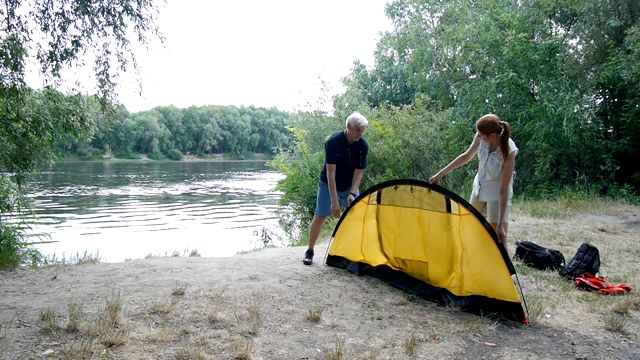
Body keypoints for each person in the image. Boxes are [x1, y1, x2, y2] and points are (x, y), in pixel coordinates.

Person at [429, 114, 518, 252]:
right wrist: (440, 174)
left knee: (499, 237)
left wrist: (500, 224)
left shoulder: (509, 151)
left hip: (497, 194)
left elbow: (503, 190)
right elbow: (465, 157)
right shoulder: (481, 137)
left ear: (493, 136)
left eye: (481, 135)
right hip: (479, 189)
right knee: (471, 227)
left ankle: (504, 272)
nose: (478, 137)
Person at [303, 112, 369, 265]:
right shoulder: (333, 142)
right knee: (321, 216)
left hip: (349, 185)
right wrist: (334, 201)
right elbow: (330, 173)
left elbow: (359, 173)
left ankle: (353, 253)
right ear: (348, 126)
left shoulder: (362, 146)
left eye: (363, 130)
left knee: (358, 216)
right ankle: (310, 251)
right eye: (358, 129)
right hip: (328, 183)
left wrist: (353, 193)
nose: (360, 133)